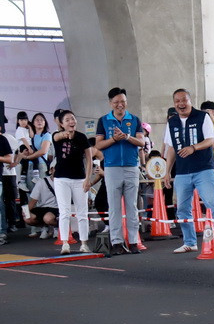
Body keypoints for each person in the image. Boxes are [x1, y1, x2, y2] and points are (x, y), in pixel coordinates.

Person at [162, 88, 214, 254]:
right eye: (177, 101)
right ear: (174, 103)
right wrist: (167, 171)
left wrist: (194, 148)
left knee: (211, 202)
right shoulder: (171, 122)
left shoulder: (202, 117)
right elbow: (171, 147)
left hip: (204, 168)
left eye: (184, 100)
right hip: (182, 172)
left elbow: (211, 140)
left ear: (190, 100)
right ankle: (190, 242)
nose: (181, 104)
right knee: (182, 209)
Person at [95, 87, 146, 254]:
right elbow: (98, 145)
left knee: (132, 205)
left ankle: (133, 241)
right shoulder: (103, 121)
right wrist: (114, 139)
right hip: (112, 168)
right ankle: (117, 242)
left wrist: (126, 137)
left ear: (126, 102)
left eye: (122, 101)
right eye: (116, 102)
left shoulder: (135, 119)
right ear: (110, 103)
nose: (120, 105)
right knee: (114, 207)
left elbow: (141, 143)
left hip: (132, 166)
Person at [50, 110, 94, 253]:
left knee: (82, 212)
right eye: (67, 120)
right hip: (61, 179)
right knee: (64, 212)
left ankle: (84, 243)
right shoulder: (56, 136)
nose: (71, 122)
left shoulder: (81, 137)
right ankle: (65, 243)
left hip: (79, 179)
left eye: (73, 119)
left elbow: (89, 159)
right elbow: (57, 137)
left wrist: (88, 179)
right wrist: (64, 134)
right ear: (61, 124)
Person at [23, 172, 57, 237]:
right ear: (50, 170)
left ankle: (56, 227)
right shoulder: (42, 182)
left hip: (57, 208)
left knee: (48, 218)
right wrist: (25, 212)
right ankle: (44, 227)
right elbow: (33, 200)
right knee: (27, 217)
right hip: (42, 208)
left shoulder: (65, 181)